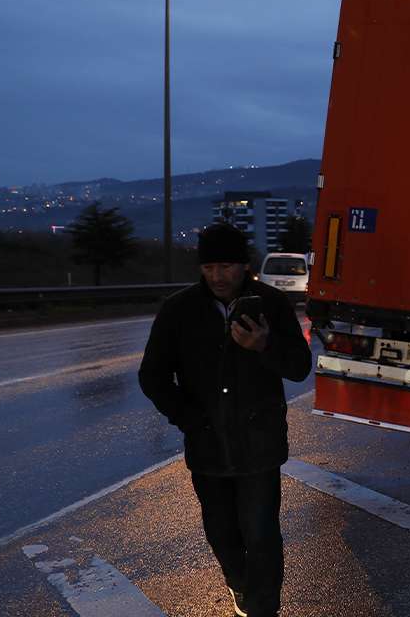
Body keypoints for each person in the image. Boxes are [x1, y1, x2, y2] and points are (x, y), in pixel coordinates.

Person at [139, 222, 312, 617]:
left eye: (227, 266)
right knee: (222, 534)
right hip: (207, 445)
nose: (217, 276)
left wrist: (264, 345)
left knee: (263, 534)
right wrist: (188, 418)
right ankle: (240, 586)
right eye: (209, 266)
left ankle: (263, 608)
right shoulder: (179, 311)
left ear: (244, 265)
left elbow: (300, 368)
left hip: (260, 445)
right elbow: (153, 376)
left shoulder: (271, 304)